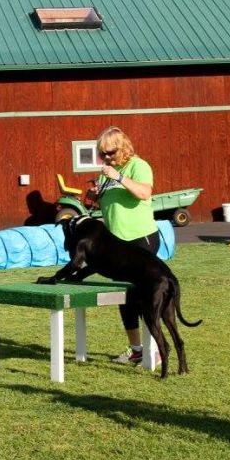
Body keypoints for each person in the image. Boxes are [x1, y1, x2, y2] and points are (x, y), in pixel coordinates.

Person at [89, 126, 160, 366]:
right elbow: (109, 206)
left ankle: (156, 349)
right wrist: (95, 195)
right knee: (125, 296)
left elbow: (144, 193)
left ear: (123, 147)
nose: (106, 158)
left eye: (110, 152)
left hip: (141, 239)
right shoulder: (105, 173)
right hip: (117, 243)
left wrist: (118, 177)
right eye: (102, 154)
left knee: (144, 294)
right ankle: (137, 348)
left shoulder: (138, 166)